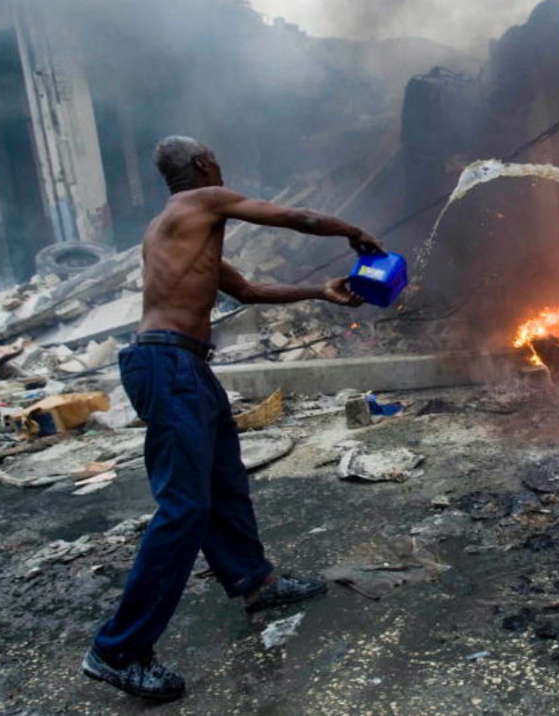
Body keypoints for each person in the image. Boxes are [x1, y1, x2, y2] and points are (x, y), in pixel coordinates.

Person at [82, 136, 384, 701]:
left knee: (223, 480)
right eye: (215, 159)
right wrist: (353, 231)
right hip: (168, 365)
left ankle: (254, 581)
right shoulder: (203, 200)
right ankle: (117, 650)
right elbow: (297, 217)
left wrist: (319, 291)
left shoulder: (173, 229)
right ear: (203, 165)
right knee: (183, 508)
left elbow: (245, 289)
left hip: (183, 366)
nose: (220, 166)